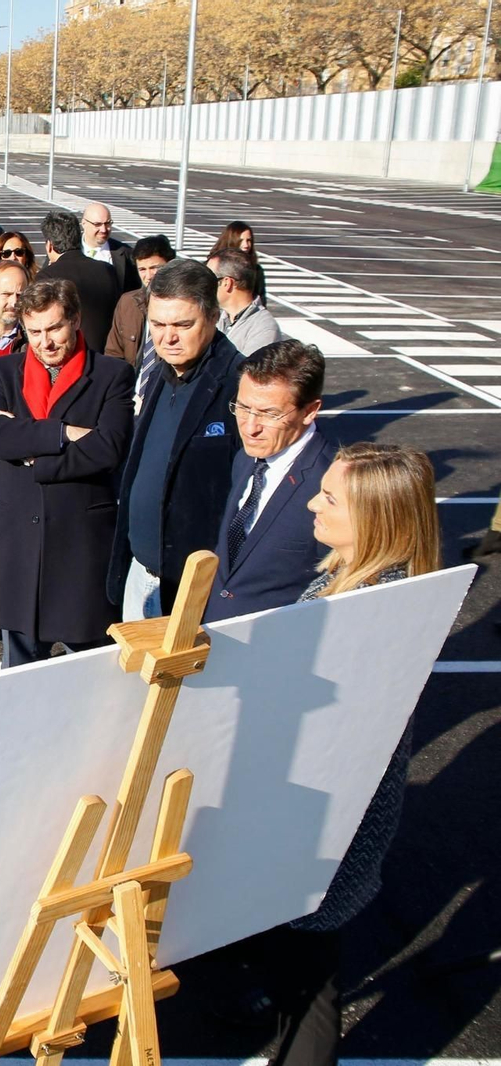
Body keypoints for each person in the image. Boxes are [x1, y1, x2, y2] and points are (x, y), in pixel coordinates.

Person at [241, 442, 442, 1066]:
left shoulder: (372, 611)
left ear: (376, 518)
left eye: (330, 496)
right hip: (318, 818)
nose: (311, 502)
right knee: (297, 966)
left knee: (311, 983)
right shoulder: (358, 583)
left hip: (326, 828)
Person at [0, 278, 134, 668]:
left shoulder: (112, 374)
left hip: (78, 546)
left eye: (53, 328)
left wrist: (34, 457)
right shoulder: (5, 371)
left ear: (75, 320)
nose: (44, 342)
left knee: (86, 669)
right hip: (17, 543)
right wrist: (62, 433)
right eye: (34, 332)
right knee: (20, 673)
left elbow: (108, 448)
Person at [108, 258, 244, 621]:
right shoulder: (158, 372)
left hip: (192, 590)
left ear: (214, 317)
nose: (167, 337)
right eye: (157, 324)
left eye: (183, 324)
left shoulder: (239, 385)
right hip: (140, 576)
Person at [205, 341, 335, 623]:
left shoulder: (333, 484)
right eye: (242, 407)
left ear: (310, 410)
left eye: (269, 414)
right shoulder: (246, 458)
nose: (250, 427)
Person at [38, 210, 121, 347]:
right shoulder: (108, 270)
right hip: (106, 352)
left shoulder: (46, 277)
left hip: (70, 353)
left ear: (49, 245)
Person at [105, 235, 174, 367]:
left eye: (155, 268)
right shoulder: (127, 303)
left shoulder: (182, 305)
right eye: (142, 269)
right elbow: (113, 353)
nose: (148, 276)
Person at [208, 247, 282, 356]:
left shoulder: (264, 329)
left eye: (209, 279)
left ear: (226, 283)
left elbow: (246, 372)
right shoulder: (217, 318)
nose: (204, 286)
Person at [80, 202, 142, 293]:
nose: (104, 230)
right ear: (84, 224)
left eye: (108, 223)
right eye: (97, 224)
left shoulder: (126, 254)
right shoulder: (67, 250)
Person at [212, 220, 265, 304]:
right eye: (240, 241)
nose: (246, 245)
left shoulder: (256, 270)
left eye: (249, 240)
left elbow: (261, 300)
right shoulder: (214, 265)